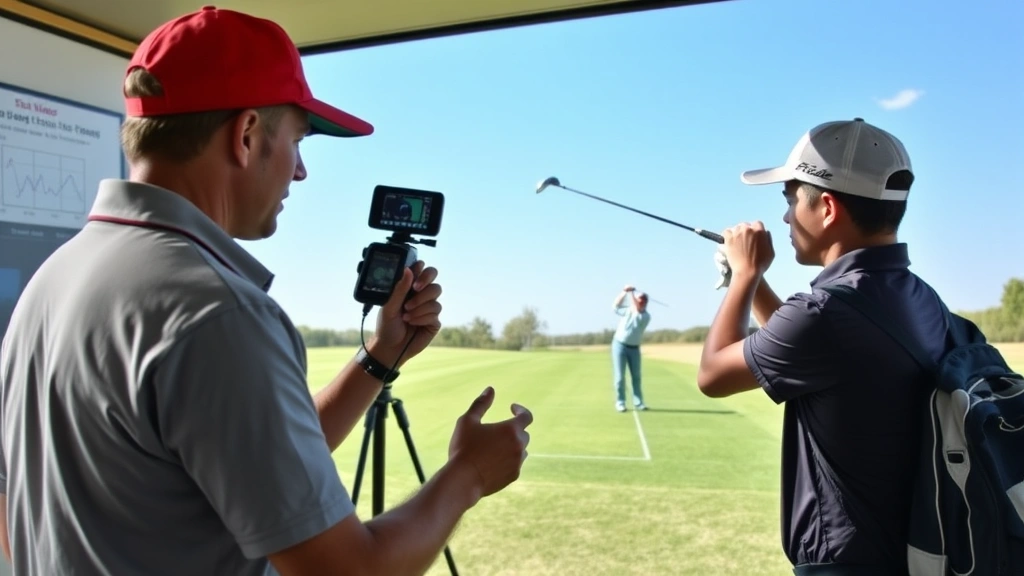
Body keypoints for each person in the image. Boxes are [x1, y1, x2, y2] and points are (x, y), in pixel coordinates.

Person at [0, 6, 533, 576]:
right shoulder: (215, 312)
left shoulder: (52, 281)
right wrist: (468, 475)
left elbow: (17, 524)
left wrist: (379, 358)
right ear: (248, 134)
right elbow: (348, 570)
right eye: (298, 141)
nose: (300, 172)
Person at [697, 118, 945, 575]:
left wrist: (746, 278)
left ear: (827, 207)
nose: (787, 216)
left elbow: (712, 376)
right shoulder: (918, 296)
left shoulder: (825, 314)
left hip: (846, 565)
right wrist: (750, 282)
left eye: (790, 200)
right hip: (904, 554)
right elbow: (807, 351)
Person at [611, 285, 651, 412]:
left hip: (634, 349)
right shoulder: (628, 310)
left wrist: (631, 294)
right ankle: (620, 402)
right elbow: (616, 306)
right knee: (620, 377)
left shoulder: (645, 316)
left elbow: (637, 309)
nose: (642, 302)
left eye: (644, 301)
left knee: (636, 376)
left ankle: (638, 402)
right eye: (640, 300)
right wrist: (624, 292)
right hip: (619, 345)